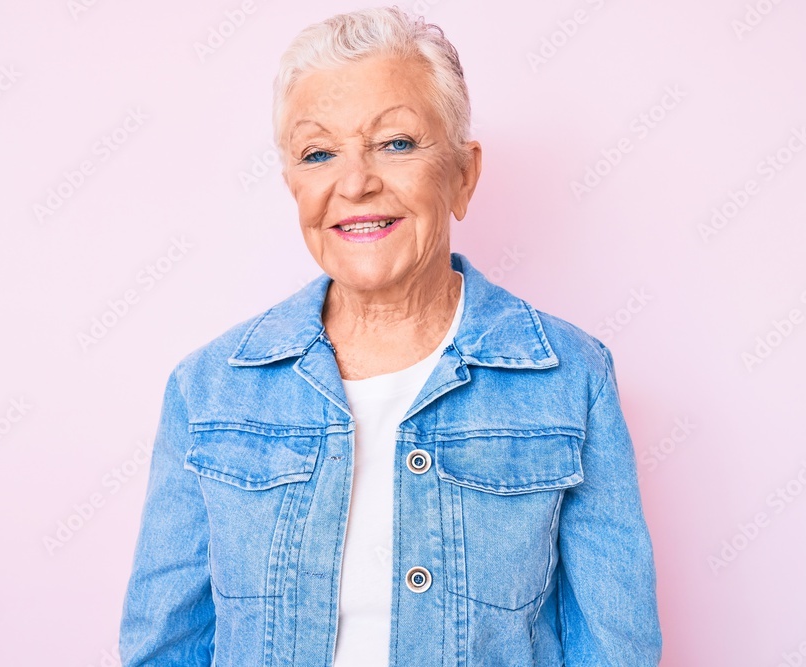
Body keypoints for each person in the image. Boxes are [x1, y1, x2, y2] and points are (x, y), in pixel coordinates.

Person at [119, 7, 661, 666]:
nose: (355, 183)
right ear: (293, 184)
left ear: (463, 173)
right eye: (318, 153)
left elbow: (616, 649)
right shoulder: (208, 389)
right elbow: (163, 648)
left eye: (396, 143)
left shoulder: (571, 377)